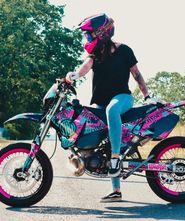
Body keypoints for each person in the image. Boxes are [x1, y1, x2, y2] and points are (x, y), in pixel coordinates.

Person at [65, 13, 151, 202]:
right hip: (100, 103)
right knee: (88, 130)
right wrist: (73, 76)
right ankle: (116, 190)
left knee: (112, 110)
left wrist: (147, 96)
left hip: (122, 99)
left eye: (89, 35)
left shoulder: (124, 50)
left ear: (102, 32)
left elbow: (136, 75)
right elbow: (84, 68)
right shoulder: (94, 55)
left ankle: (115, 157)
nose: (87, 39)